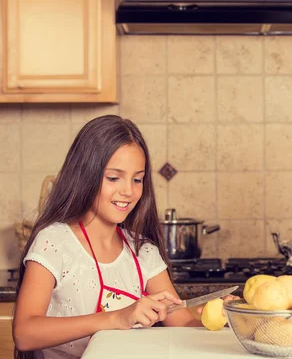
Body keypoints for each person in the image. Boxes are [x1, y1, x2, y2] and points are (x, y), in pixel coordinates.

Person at [12, 115, 209, 358]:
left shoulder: (143, 251)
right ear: (85, 175)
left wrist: (218, 318)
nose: (128, 190)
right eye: (113, 178)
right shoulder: (53, 242)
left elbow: (183, 325)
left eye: (137, 179)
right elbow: (24, 333)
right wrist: (118, 317)